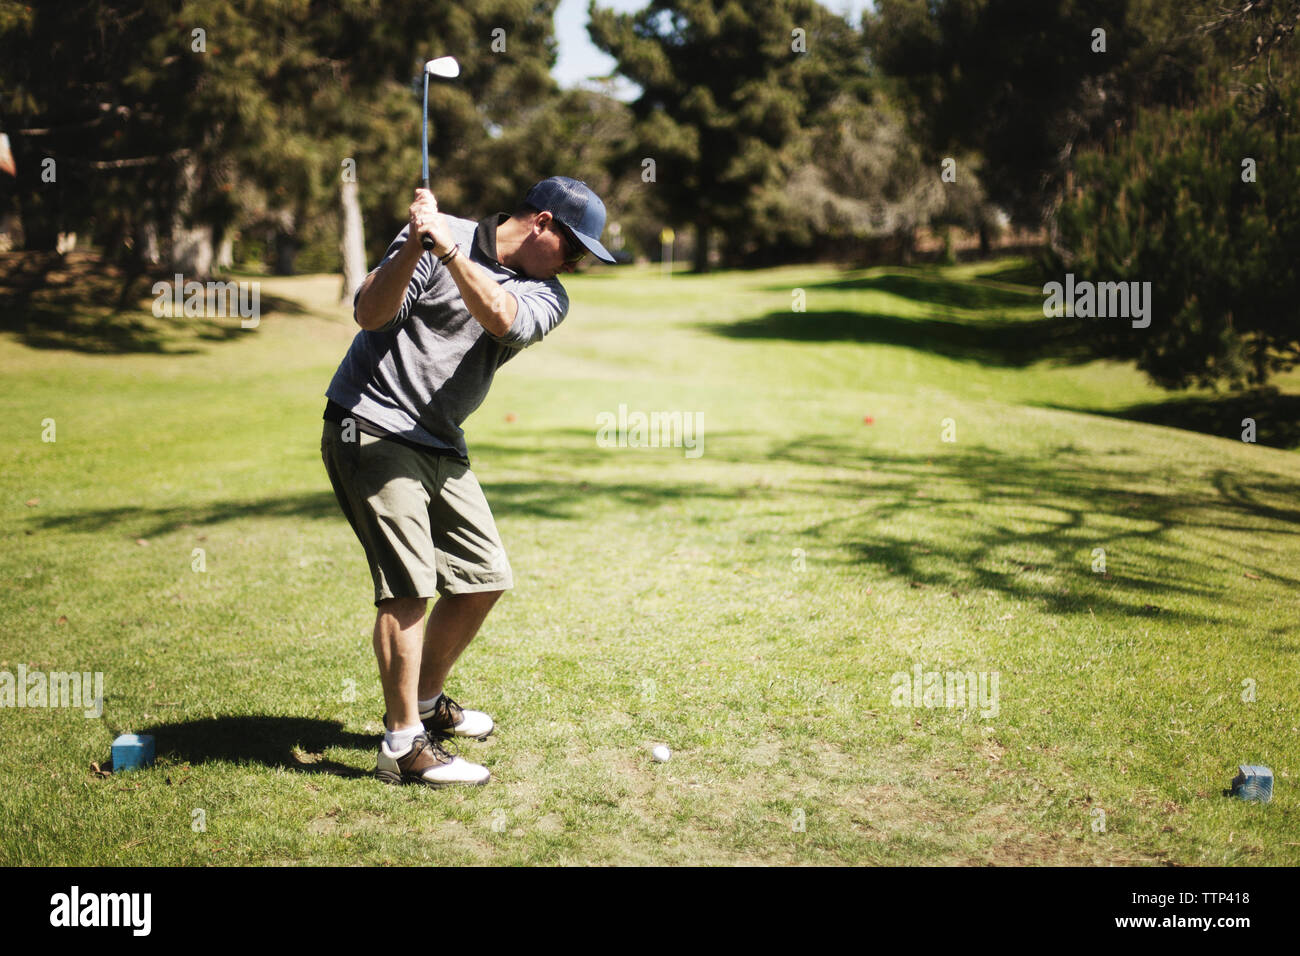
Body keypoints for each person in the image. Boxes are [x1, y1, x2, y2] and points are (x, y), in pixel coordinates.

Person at [320, 176, 616, 787]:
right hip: (370, 425)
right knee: (408, 585)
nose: (577, 263)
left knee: (484, 577)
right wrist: (414, 248)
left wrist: (449, 254)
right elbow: (368, 314)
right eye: (575, 248)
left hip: (439, 439)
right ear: (541, 224)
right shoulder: (434, 232)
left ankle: (425, 704)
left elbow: (505, 320)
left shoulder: (547, 294)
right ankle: (402, 747)